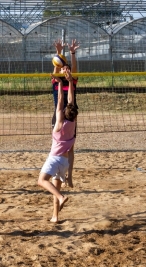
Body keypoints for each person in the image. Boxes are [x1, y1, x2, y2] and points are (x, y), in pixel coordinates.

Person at [38, 68, 79, 223]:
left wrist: (59, 83)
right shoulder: (73, 124)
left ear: (63, 114)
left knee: (41, 181)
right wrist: (68, 81)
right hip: (64, 162)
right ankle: (55, 216)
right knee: (55, 190)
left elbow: (61, 101)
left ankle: (62, 198)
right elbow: (70, 102)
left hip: (55, 159)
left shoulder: (59, 126)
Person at [52, 39, 80, 188]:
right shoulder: (56, 80)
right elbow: (57, 65)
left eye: (68, 68)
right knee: (57, 145)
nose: (66, 69)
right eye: (64, 68)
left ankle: (69, 176)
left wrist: (72, 53)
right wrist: (58, 53)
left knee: (70, 148)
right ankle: (58, 173)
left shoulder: (72, 80)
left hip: (71, 116)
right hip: (58, 117)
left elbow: (73, 68)